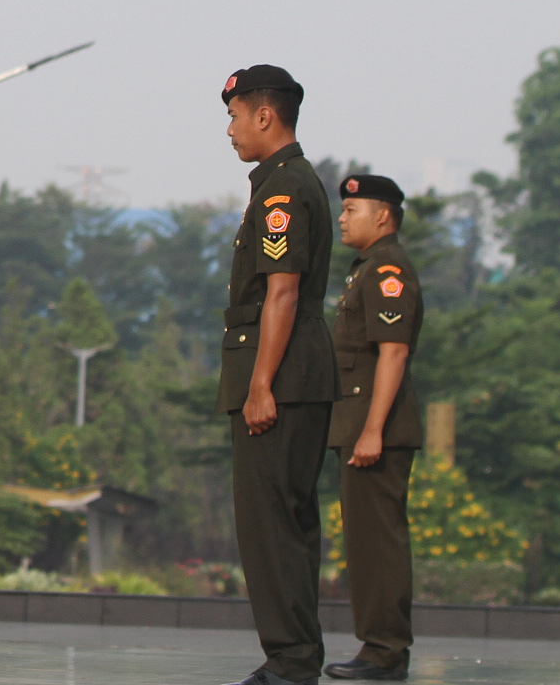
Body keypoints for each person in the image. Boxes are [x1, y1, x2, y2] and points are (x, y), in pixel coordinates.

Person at [216, 65, 336, 685]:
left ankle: (290, 662)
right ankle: (294, 657)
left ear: (266, 115)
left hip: (281, 377)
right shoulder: (283, 183)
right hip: (295, 373)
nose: (230, 130)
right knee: (284, 520)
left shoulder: (283, 191)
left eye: (235, 116)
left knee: (272, 523)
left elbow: (282, 294)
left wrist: (261, 383)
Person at [325, 174, 423, 682]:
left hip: (375, 431)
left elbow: (394, 350)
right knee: (364, 542)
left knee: (378, 542)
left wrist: (372, 430)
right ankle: (377, 646)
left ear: (382, 216)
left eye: (352, 209)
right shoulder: (365, 269)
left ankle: (384, 651)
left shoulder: (387, 267)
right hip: (360, 425)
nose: (343, 217)